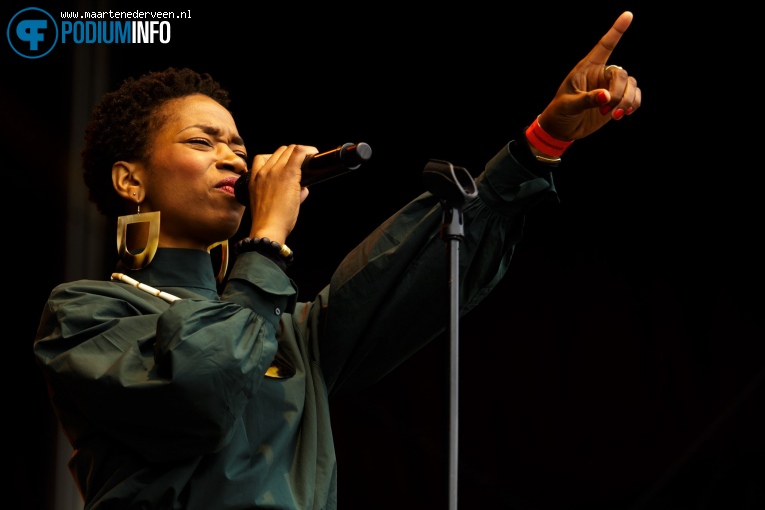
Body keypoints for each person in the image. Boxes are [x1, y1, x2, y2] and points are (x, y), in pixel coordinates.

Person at [33, 11, 641, 510]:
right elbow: (200, 395)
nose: (235, 159)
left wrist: (542, 143)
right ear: (128, 179)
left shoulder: (291, 332)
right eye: (202, 141)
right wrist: (266, 241)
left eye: (239, 146)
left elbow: (412, 265)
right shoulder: (86, 314)